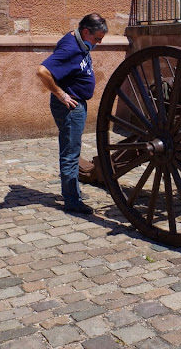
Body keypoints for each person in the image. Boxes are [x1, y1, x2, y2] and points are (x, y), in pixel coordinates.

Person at [36, 13, 108, 213]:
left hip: (76, 104)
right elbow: (42, 71)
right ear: (86, 32)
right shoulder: (70, 48)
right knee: (70, 153)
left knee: (72, 150)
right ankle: (72, 201)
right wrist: (61, 95)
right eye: (97, 39)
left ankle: (72, 192)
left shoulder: (78, 40)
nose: (99, 43)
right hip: (70, 108)